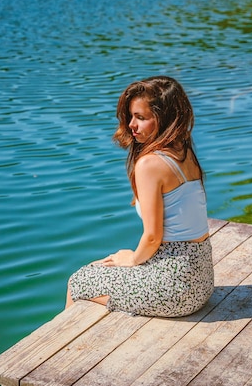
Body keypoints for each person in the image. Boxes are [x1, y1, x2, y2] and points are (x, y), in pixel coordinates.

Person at [65, 76, 214, 317]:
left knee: (79, 280)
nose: (131, 124)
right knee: (101, 267)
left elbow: (153, 237)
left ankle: (62, 348)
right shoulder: (184, 152)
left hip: (175, 290)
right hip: (200, 282)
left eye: (141, 118)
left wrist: (133, 259)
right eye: (131, 116)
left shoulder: (150, 164)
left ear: (165, 119)